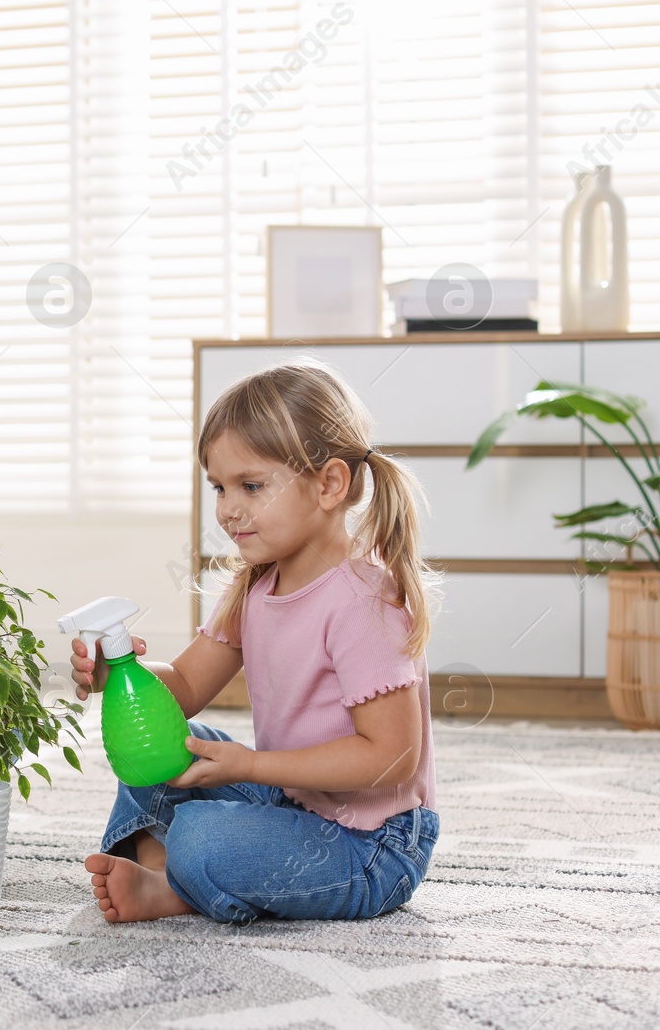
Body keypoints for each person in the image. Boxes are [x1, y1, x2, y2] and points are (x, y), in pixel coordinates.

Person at [70, 360, 440, 923]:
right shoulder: (255, 585)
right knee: (169, 742)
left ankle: (178, 880)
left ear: (330, 484)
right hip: (293, 803)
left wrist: (250, 766)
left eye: (251, 485)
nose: (227, 509)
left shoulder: (364, 603)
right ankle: (161, 866)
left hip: (372, 846)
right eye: (219, 487)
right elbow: (188, 686)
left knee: (204, 837)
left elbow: (391, 758)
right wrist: (120, 676)